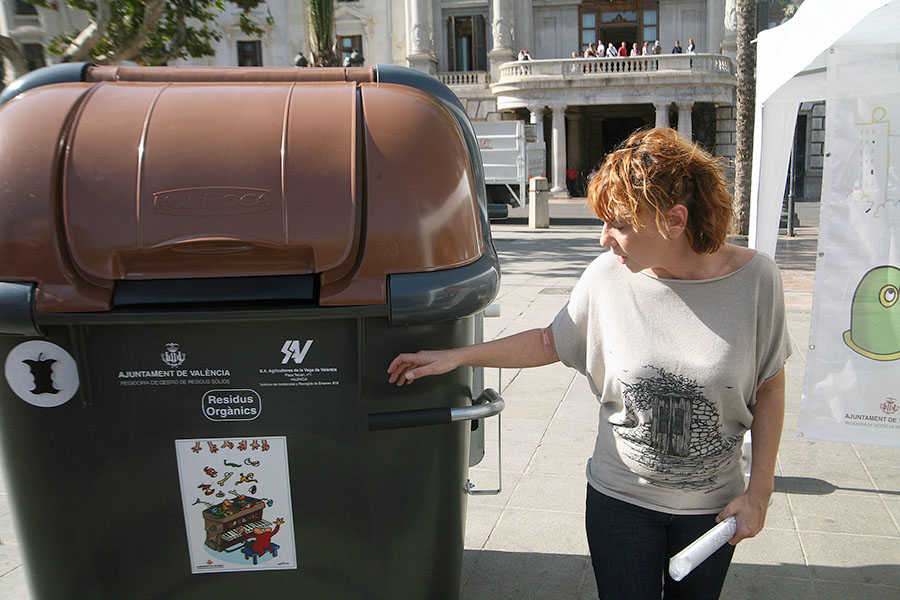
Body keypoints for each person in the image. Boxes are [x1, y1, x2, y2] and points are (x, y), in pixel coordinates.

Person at [387, 127, 791, 600]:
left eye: (618, 223)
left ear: (675, 221)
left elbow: (770, 387)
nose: (604, 239)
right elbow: (546, 342)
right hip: (620, 504)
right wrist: (456, 357)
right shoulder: (606, 277)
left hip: (713, 513)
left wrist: (758, 493)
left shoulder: (756, 280)